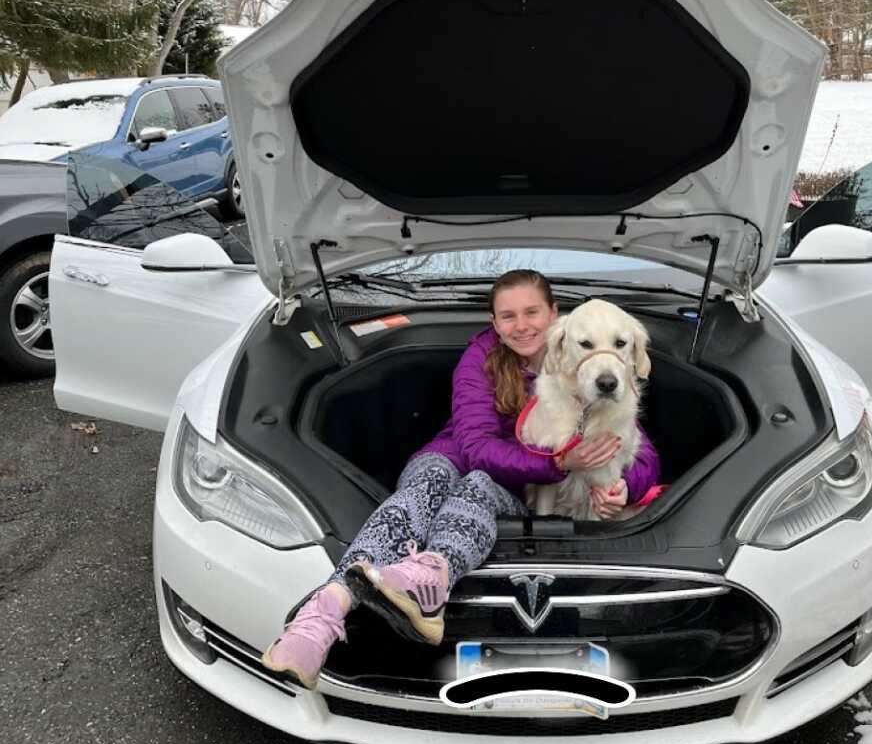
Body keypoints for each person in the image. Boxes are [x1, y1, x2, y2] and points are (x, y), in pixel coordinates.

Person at [262, 269, 661, 688]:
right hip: (454, 456)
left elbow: (640, 451)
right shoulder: (481, 359)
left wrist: (623, 488)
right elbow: (475, 450)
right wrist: (560, 464)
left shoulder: (594, 372)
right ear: (494, 323)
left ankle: (425, 578)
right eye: (508, 316)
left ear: (554, 315)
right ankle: (320, 617)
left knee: (477, 487)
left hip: (499, 486)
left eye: (532, 312)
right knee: (426, 485)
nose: (521, 325)